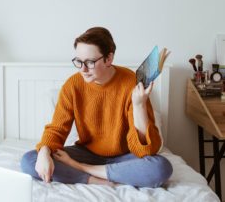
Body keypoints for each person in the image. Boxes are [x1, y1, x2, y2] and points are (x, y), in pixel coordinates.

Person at [21, 27, 173, 187]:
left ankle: (84, 170)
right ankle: (93, 179)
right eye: (78, 61)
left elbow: (145, 151)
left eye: (90, 62)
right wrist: (44, 151)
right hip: (87, 153)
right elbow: (57, 129)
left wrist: (139, 105)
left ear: (109, 58)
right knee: (30, 160)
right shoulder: (73, 85)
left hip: (125, 156)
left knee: (160, 167)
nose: (83, 69)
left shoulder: (130, 83)